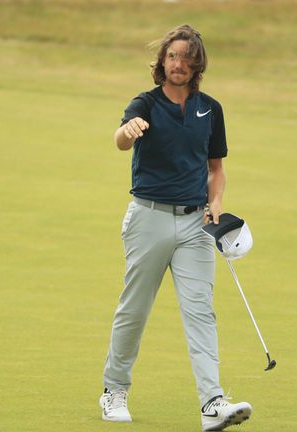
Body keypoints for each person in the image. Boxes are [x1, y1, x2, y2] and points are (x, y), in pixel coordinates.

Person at [99, 24, 252, 431]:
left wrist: (216, 203)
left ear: (197, 65)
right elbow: (121, 139)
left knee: (201, 311)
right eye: (172, 56)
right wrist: (127, 131)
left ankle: (212, 403)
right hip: (148, 217)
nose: (178, 63)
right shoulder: (145, 103)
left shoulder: (210, 110)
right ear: (162, 61)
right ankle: (114, 390)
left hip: (195, 224)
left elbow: (216, 168)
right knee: (135, 308)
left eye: (186, 57)